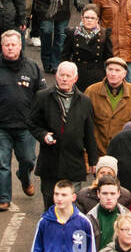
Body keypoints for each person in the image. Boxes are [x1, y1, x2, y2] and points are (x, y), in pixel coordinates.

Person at [0, 30, 46, 212]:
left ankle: (24, 177)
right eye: (7, 45)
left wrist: (44, 119)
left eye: (14, 44)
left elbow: (43, 95)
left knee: (28, 159)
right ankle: (4, 197)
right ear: (2, 46)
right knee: (1, 163)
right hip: (1, 125)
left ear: (20, 45)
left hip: (27, 127)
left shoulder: (32, 68)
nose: (10, 48)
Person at [30, 62, 99, 207]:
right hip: (50, 162)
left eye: (68, 76)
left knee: (71, 206)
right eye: (62, 75)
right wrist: (43, 135)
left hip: (73, 161)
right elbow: (32, 123)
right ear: (56, 76)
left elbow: (89, 132)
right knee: (50, 203)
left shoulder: (85, 101)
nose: (64, 79)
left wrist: (93, 160)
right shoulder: (43, 97)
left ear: (75, 78)